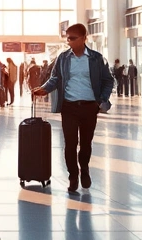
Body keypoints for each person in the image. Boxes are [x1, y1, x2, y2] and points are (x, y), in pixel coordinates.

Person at [33, 23, 113, 193]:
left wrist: (101, 100)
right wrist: (44, 88)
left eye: (73, 38)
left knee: (85, 144)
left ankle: (84, 169)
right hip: (69, 106)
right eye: (67, 38)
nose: (69, 41)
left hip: (90, 106)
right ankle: (73, 175)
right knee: (70, 143)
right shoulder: (63, 58)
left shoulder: (96, 58)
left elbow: (108, 80)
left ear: (84, 38)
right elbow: (55, 77)